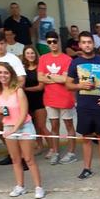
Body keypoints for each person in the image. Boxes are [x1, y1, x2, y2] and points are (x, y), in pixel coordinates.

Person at [66, 30, 100, 179]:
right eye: (84, 42)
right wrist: (80, 86)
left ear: (93, 44)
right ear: (80, 45)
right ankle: (87, 168)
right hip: (84, 107)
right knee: (87, 139)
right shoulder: (75, 62)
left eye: (89, 42)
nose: (87, 45)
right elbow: (68, 84)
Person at [0, 62, 44, 199]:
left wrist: (15, 129)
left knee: (29, 158)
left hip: (24, 126)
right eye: (0, 73)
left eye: (6, 73)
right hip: (8, 127)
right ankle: (20, 186)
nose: (3, 75)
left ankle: (38, 187)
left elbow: (24, 112)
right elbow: (0, 114)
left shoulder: (18, 90)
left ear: (11, 74)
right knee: (16, 159)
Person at [0, 31, 26, 166]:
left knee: (20, 125)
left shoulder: (13, 59)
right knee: (5, 125)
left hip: (14, 98)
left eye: (2, 43)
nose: (0, 46)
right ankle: (12, 154)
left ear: (6, 44)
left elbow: (21, 79)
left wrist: (11, 91)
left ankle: (24, 157)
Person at [38, 31, 77, 165]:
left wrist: (48, 76)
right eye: (49, 42)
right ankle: (55, 151)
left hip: (65, 98)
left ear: (58, 41)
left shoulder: (67, 59)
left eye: (54, 41)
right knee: (54, 126)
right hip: (50, 98)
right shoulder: (43, 58)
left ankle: (71, 152)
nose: (52, 44)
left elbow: (65, 79)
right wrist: (56, 78)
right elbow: (39, 77)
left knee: (68, 125)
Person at [22, 45, 47, 155]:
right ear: (24, 55)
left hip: (39, 100)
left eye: (32, 53)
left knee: (42, 127)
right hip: (27, 101)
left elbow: (40, 87)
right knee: (35, 127)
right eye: (28, 53)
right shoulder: (23, 69)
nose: (30, 55)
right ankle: (39, 146)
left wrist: (25, 89)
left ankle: (53, 148)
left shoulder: (40, 68)